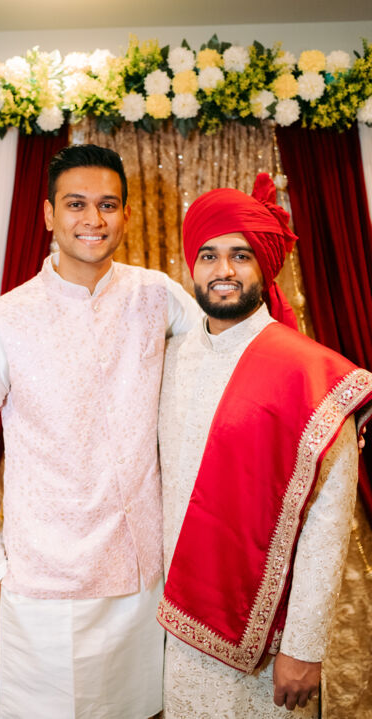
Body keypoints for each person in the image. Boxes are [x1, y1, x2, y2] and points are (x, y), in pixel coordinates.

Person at [0, 144, 201, 719]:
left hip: (141, 580)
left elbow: (230, 351)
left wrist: (325, 396)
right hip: (47, 586)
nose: (93, 219)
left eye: (107, 204)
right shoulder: (2, 321)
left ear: (126, 214)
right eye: (76, 203)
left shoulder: (156, 295)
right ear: (48, 214)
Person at [157, 173, 372, 718]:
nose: (223, 271)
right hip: (178, 624)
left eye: (241, 255)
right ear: (191, 265)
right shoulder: (168, 359)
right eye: (208, 255)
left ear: (265, 266)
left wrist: (303, 647)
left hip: (269, 639)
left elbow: (328, 523)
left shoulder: (308, 374)